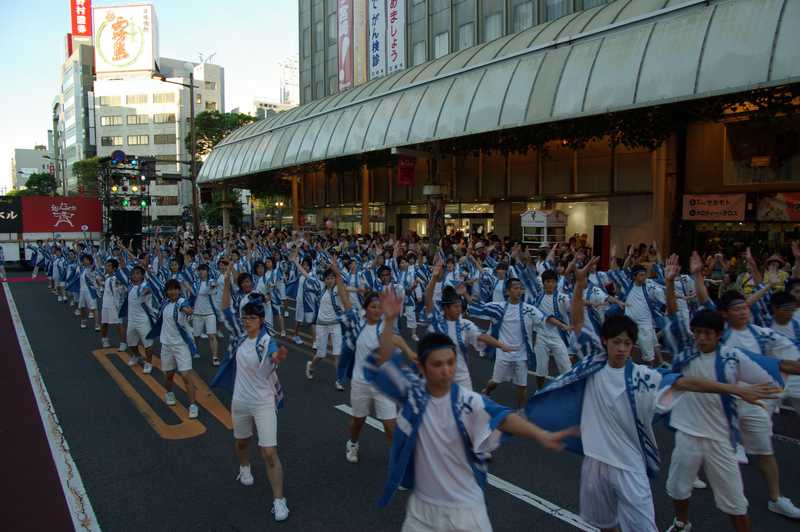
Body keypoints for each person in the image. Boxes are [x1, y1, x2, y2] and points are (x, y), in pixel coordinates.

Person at [526, 256, 782, 532]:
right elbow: (578, 323)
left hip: (630, 466)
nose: (622, 348)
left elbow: (686, 383)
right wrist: (578, 286)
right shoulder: (593, 364)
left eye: (627, 343)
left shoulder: (644, 377)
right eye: (616, 342)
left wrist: (734, 389)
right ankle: (681, 521)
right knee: (604, 525)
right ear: (605, 342)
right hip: (595, 465)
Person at [368, 287, 576, 532]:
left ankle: (479, 447)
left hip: (465, 511)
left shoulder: (467, 400)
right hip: (421, 511)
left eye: (450, 363)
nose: (446, 370)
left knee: (473, 430)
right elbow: (382, 362)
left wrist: (542, 435)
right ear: (422, 368)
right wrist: (390, 320)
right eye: (437, 364)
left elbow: (503, 416)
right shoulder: (413, 394)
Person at [661, 254, 800, 531]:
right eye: (697, 332)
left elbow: (772, 371)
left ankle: (770, 503)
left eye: (707, 334)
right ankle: (681, 522)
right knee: (677, 488)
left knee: (735, 501)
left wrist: (762, 395)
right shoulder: (685, 352)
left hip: (720, 438)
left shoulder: (733, 357)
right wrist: (669, 282)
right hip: (687, 433)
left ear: (718, 334)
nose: (701, 338)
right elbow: (674, 313)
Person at [211, 301, 290, 522]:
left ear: (261, 321)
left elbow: (273, 353)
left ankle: (279, 500)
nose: (247, 321)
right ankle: (244, 466)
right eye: (245, 318)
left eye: (252, 318)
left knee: (269, 453)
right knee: (242, 442)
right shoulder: (239, 338)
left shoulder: (266, 342)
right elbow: (225, 308)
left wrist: (277, 358)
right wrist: (227, 278)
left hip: (263, 402)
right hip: (240, 401)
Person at [470, 277, 569, 410]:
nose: (519, 291)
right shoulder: (499, 307)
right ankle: (487, 391)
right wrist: (465, 294)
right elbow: (479, 306)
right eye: (515, 288)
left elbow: (545, 318)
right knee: (495, 381)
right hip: (503, 352)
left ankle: (520, 411)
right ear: (507, 291)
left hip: (521, 353)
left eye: (521, 288)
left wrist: (562, 325)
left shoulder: (528, 309)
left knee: (522, 385)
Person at [424, 264, 514, 390]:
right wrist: (434, 278)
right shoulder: (436, 321)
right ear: (446, 308)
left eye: (460, 306)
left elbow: (481, 336)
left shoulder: (465, 324)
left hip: (461, 377)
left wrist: (502, 346)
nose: (459, 309)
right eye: (455, 307)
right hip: (439, 376)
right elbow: (428, 300)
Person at [150, 279, 200, 418]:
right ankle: (169, 393)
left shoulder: (181, 302)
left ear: (179, 290)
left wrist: (188, 310)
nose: (172, 292)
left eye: (175, 289)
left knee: (185, 375)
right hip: (166, 345)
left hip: (181, 345)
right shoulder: (165, 303)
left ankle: (193, 405)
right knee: (169, 374)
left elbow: (188, 309)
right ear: (166, 292)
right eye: (170, 289)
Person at [533, 269, 572, 388]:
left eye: (553, 282)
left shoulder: (563, 298)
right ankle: (539, 391)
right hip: (542, 336)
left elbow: (573, 310)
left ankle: (567, 391)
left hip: (558, 337)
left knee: (566, 368)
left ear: (556, 283)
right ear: (543, 283)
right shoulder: (538, 299)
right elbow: (538, 317)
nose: (550, 284)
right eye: (548, 281)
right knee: (541, 369)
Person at [123, 265, 156, 373]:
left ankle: (148, 363)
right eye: (133, 273)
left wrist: (146, 290)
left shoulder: (144, 285)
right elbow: (123, 267)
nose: (135, 275)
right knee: (131, 343)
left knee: (148, 344)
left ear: (142, 275)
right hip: (131, 320)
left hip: (143, 320)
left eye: (138, 273)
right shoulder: (130, 286)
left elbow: (148, 289)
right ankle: (137, 356)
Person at [190, 264, 221, 366]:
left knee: (212, 335)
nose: (201, 272)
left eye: (203, 270)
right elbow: (192, 294)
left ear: (207, 272)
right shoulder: (195, 283)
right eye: (199, 270)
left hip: (210, 313)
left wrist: (213, 286)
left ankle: (215, 357)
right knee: (196, 336)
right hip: (197, 314)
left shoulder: (211, 281)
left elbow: (213, 288)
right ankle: (194, 351)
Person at [99, 258, 128, 351]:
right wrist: (101, 283)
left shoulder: (117, 278)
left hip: (115, 305)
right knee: (104, 323)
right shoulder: (107, 277)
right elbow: (107, 288)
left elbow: (122, 290)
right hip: (105, 304)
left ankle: (123, 343)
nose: (106, 267)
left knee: (118, 324)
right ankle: (104, 340)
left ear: (114, 268)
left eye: (109, 266)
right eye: (106, 265)